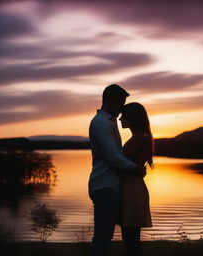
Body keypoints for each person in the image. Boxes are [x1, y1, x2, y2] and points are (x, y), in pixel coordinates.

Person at [88, 84, 146, 256]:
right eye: (121, 103)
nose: (122, 110)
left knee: (112, 236)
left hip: (111, 187)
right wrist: (136, 168)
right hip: (104, 186)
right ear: (110, 101)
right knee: (103, 237)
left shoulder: (109, 122)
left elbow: (117, 154)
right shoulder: (100, 123)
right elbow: (113, 156)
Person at [119, 102, 153, 256]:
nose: (119, 119)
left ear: (132, 118)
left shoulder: (140, 137)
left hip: (132, 190)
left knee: (131, 239)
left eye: (123, 116)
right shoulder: (139, 137)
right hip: (131, 187)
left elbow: (119, 160)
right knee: (130, 238)